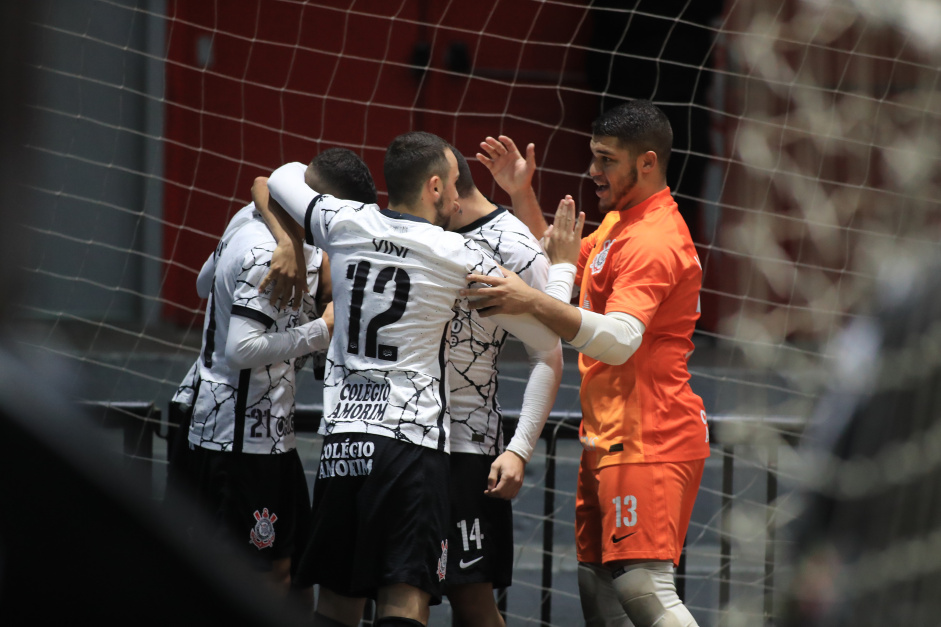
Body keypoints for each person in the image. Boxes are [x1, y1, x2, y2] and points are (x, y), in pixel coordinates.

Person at [262, 131, 557, 627]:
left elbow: (279, 176)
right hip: (411, 446)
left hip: (342, 440)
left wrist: (289, 235)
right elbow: (547, 330)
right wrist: (564, 265)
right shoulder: (456, 253)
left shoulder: (343, 221)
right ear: (437, 187)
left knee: (336, 602)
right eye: (455, 185)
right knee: (404, 599)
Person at [467, 101, 709, 627]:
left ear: (646, 162)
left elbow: (620, 341)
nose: (593, 171)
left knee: (645, 588)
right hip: (608, 435)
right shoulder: (622, 223)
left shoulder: (653, 239)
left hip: (651, 437)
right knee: (599, 591)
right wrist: (521, 193)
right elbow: (555, 263)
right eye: (593, 156)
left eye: (606, 160)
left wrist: (530, 304)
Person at [167, 148, 378, 598]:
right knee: (265, 575)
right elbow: (242, 349)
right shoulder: (270, 255)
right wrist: (320, 329)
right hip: (240, 437)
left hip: (244, 426)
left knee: (293, 568)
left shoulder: (253, 219)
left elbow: (203, 282)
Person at [442, 149, 563, 626]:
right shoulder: (418, 230)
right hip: (404, 441)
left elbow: (550, 348)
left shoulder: (509, 245)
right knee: (399, 591)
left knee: (471, 599)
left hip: (469, 449)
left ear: (443, 188)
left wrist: (519, 448)